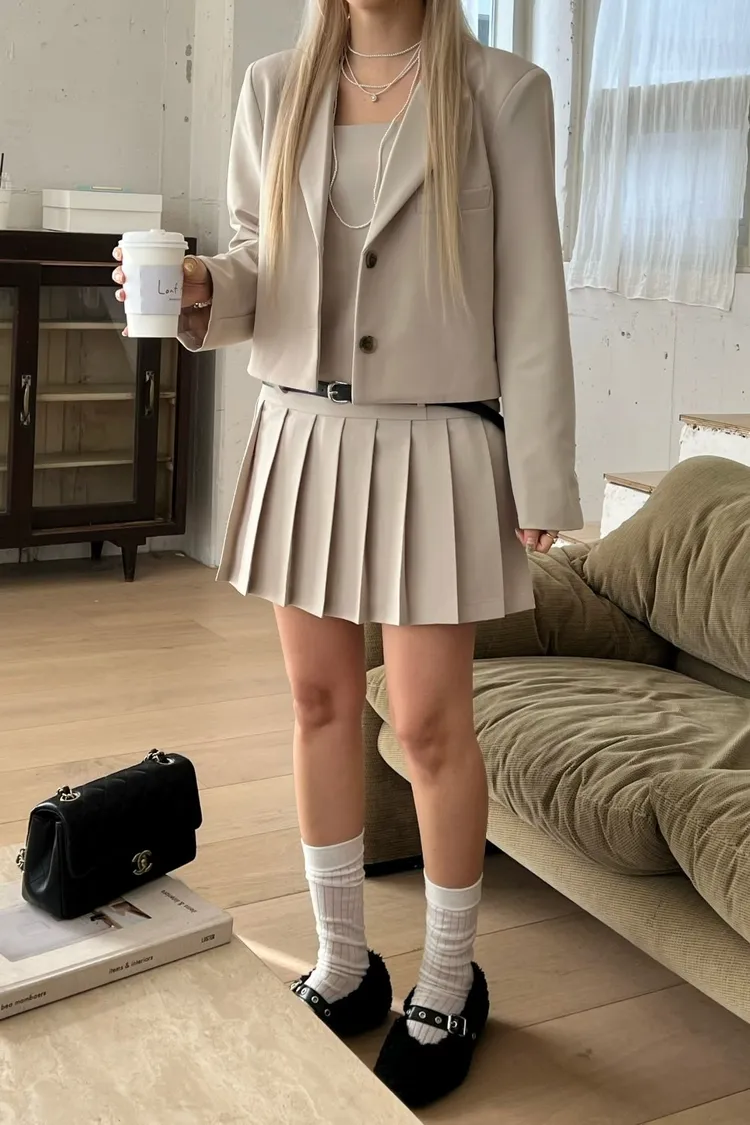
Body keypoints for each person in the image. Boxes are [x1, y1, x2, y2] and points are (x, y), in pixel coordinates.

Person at [114, 0, 581, 1107]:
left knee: (427, 724)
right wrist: (201, 286)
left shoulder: (505, 92)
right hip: (303, 430)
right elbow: (254, 260)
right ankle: (343, 961)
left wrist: (543, 474)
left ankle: (450, 980)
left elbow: (533, 293)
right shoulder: (274, 86)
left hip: (440, 440)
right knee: (318, 703)